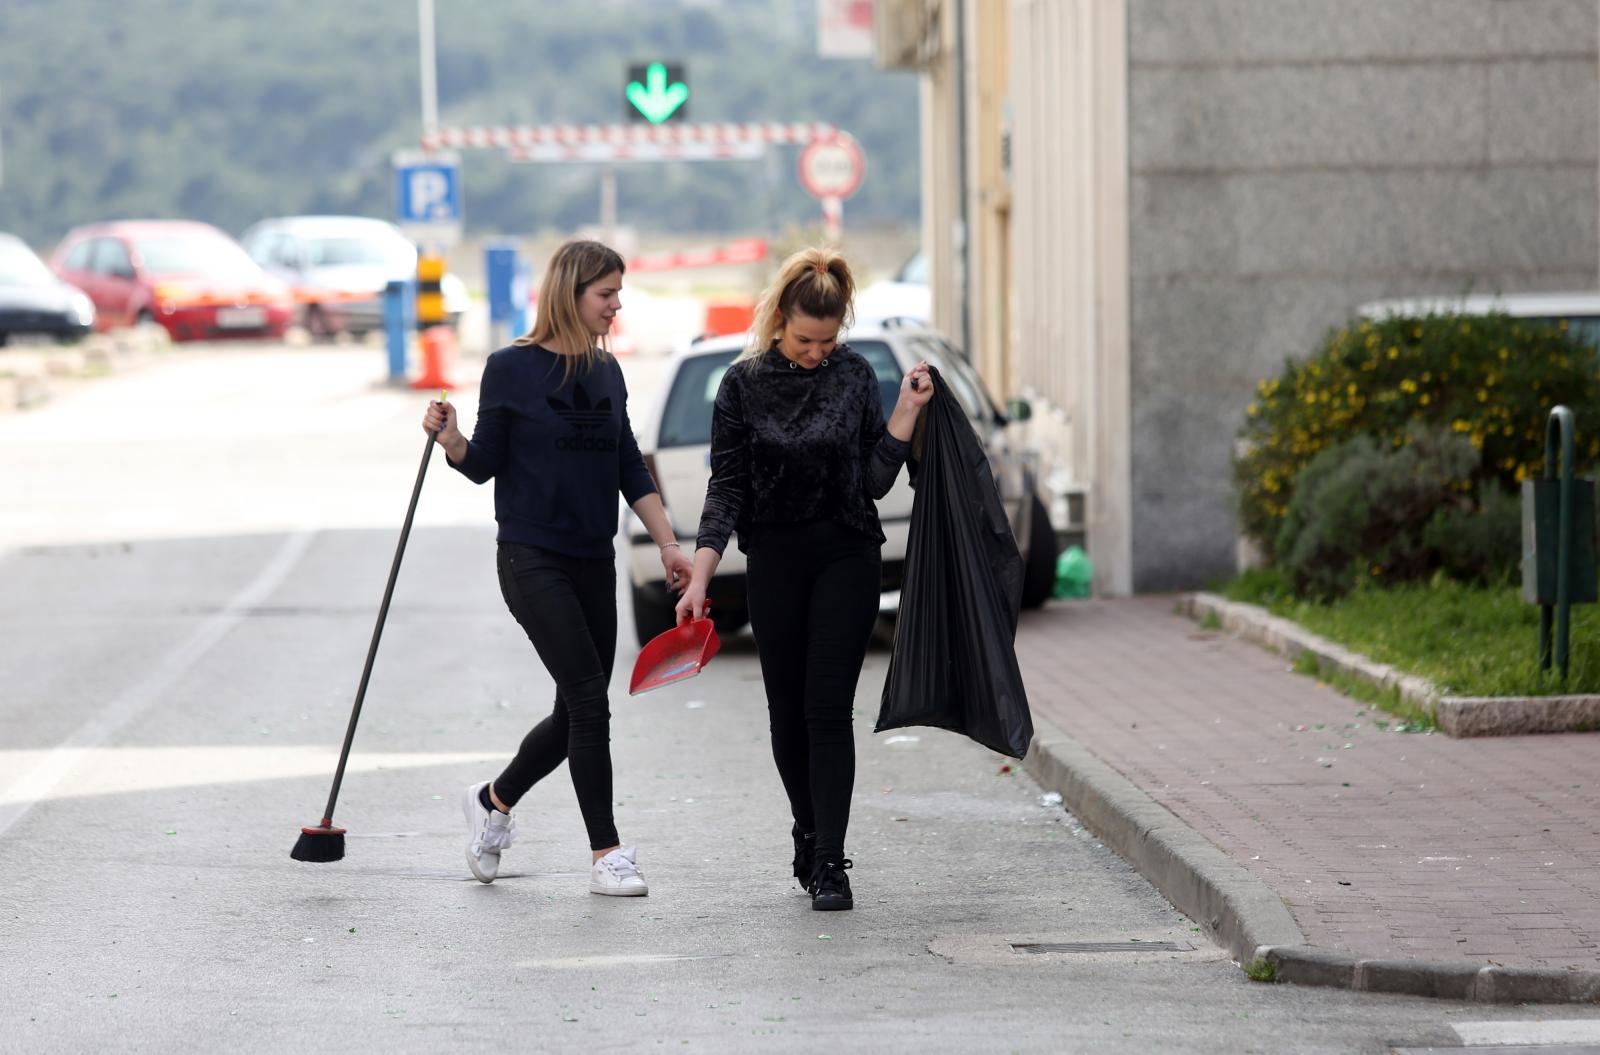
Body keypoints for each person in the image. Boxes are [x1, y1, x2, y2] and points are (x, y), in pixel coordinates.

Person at [423, 239, 692, 895]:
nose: (616, 305)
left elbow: (629, 465)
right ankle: (607, 852)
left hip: (593, 558)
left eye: (618, 293)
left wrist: (667, 544)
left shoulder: (608, 373)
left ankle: (493, 801)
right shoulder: (511, 367)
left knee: (577, 709)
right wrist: (450, 436)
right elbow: (482, 459)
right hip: (530, 555)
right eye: (606, 294)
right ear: (571, 294)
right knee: (587, 699)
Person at [675, 247, 932, 911]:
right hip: (776, 563)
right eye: (804, 339)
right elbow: (726, 487)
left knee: (826, 709)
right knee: (786, 716)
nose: (818, 351)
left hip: (847, 555)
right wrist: (700, 577)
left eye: (828, 339)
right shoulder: (741, 383)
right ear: (779, 320)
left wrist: (904, 412)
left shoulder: (852, 375)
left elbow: (874, 479)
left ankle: (831, 860)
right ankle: (806, 824)